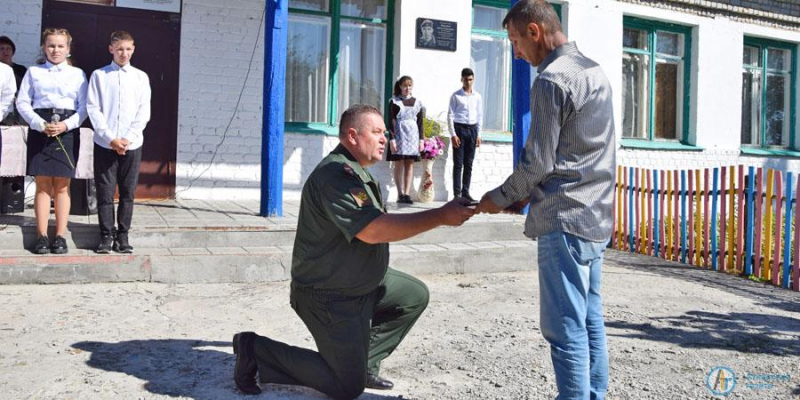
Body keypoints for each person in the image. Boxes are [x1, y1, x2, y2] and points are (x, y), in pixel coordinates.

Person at [232, 104, 475, 399]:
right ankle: (255, 350)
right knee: (346, 387)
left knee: (412, 296)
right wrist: (439, 216)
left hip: (360, 280)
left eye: (385, 132)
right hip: (328, 293)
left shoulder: (359, 171)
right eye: (376, 132)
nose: (385, 137)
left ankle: (365, 364)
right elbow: (372, 230)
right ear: (352, 135)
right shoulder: (336, 175)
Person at [475, 1, 616, 399]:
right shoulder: (594, 70)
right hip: (596, 215)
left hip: (564, 219)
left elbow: (538, 161)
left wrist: (498, 198)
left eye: (516, 41)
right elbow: (578, 150)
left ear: (535, 32)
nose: (516, 52)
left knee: (564, 330)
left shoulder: (552, 79)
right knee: (589, 319)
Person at [16, 28, 87, 255]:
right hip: (41, 126)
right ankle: (42, 236)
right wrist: (39, 124)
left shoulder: (77, 74)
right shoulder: (34, 72)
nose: (55, 50)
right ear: (44, 48)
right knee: (43, 185)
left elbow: (84, 106)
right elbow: (23, 103)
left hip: (66, 127)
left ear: (68, 49)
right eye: (51, 46)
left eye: (60, 46)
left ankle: (60, 236)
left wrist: (67, 125)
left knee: (63, 186)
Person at [87, 31, 151, 254]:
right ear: (111, 49)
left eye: (128, 49)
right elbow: (93, 109)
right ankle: (105, 235)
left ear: (133, 49)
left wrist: (128, 138)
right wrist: (110, 138)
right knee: (105, 192)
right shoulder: (99, 76)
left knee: (127, 193)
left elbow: (144, 111)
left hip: (132, 144)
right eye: (119, 49)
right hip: (105, 144)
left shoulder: (141, 77)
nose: (124, 53)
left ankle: (122, 236)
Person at [387, 75, 424, 204]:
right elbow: (391, 121)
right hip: (399, 134)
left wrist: (421, 140)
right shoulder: (394, 101)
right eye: (404, 86)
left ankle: (407, 193)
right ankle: (400, 193)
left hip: (413, 135)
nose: (407, 88)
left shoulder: (417, 102)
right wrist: (392, 139)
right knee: (399, 163)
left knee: (409, 163)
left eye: (409, 86)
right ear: (400, 87)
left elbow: (420, 122)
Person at [447, 67, 482, 201]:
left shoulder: (477, 96)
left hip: (472, 129)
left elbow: (480, 115)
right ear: (461, 79)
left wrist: (478, 134)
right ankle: (457, 195)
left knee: (469, 163)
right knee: (458, 163)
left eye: (471, 79)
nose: (468, 82)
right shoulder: (456, 96)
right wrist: (453, 134)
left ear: (473, 80)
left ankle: (466, 192)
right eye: (466, 79)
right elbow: (450, 115)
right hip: (460, 129)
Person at [0, 36, 26, 125]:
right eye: (2, 49)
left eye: (8, 48)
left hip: (15, 108)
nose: (5, 51)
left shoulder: (21, 70)